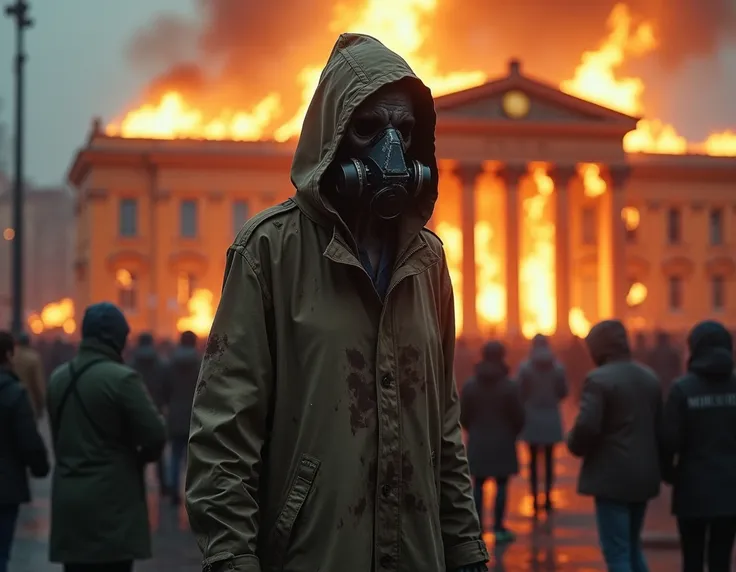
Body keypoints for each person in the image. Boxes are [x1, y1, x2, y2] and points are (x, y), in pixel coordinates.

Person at [186, 33, 489, 572]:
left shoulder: (429, 261)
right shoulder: (269, 252)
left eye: (405, 130)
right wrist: (231, 560)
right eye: (369, 128)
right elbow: (224, 435)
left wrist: (465, 552)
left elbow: (444, 430)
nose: (390, 149)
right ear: (333, 136)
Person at [47, 303, 167, 572]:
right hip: (111, 506)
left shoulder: (57, 379)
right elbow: (155, 434)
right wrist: (137, 460)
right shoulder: (122, 379)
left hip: (69, 504)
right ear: (117, 338)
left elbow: (59, 438)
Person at [568, 319, 662, 572]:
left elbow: (587, 426)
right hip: (643, 475)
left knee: (617, 553)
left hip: (612, 479)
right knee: (633, 547)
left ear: (599, 348)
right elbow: (660, 428)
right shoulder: (649, 377)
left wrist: (573, 443)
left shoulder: (598, 380)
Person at [662, 321, 736, 572]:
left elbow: (669, 441)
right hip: (730, 489)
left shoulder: (683, 389)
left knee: (692, 558)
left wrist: (670, 474)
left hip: (692, 490)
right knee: (722, 559)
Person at [461, 341, 524, 543]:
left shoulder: (471, 385)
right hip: (503, 441)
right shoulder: (509, 385)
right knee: (502, 485)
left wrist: (475, 430)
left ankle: (477, 527)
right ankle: (498, 527)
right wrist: (511, 432)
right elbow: (519, 417)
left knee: (477, 484)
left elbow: (463, 415)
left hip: (479, 440)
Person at [0, 331, 49, 572]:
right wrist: (40, 466)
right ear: (9, 354)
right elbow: (28, 441)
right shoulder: (14, 393)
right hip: (5, 485)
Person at [517, 334, 568, 516]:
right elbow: (563, 392)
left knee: (532, 461)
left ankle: (534, 499)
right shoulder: (558, 367)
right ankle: (547, 497)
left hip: (531, 416)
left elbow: (520, 392)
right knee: (549, 460)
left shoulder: (525, 367)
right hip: (550, 416)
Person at [161, 330, 201, 506]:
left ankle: (173, 493)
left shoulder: (170, 364)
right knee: (194, 460)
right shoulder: (201, 363)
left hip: (175, 415)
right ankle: (193, 495)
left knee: (175, 456)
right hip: (195, 416)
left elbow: (165, 390)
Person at [128, 332, 169, 497]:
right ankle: (164, 487)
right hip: (156, 412)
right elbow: (167, 389)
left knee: (137, 454)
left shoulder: (131, 365)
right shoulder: (161, 365)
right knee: (160, 455)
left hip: (136, 415)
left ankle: (136, 486)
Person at [13, 332, 46, 420]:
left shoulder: (11, 357)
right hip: (28, 404)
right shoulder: (33, 358)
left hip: (9, 402)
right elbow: (38, 384)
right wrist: (41, 404)